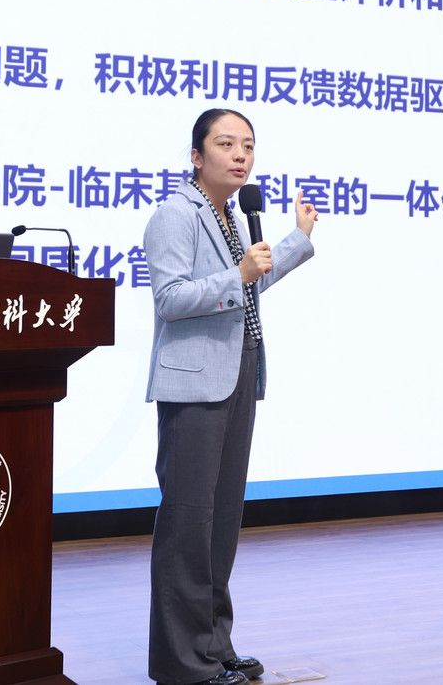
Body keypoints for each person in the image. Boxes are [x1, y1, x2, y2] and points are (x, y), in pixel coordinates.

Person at [143, 108, 318, 685]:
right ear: (197, 156)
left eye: (248, 145)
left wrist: (297, 241)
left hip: (239, 370)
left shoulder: (231, 217)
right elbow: (170, 298)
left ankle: (215, 646)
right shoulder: (176, 214)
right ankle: (183, 662)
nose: (240, 155)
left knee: (221, 521)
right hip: (195, 382)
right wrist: (238, 274)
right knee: (188, 523)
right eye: (226, 144)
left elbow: (250, 277)